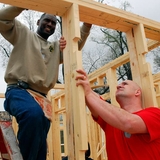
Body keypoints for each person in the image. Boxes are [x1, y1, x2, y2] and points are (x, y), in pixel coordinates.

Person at [0, 4, 91, 160]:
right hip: (19, 91)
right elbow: (2, 18)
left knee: (40, 142)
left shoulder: (55, 48)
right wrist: (21, 4)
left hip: (41, 99)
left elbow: (76, 44)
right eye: (46, 20)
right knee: (33, 115)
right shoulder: (24, 34)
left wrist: (87, 23)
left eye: (54, 23)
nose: (50, 24)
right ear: (38, 22)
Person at [75, 69, 160, 160]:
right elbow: (95, 101)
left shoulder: (154, 114)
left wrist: (88, 93)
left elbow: (129, 123)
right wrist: (83, 85)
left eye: (125, 84)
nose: (118, 86)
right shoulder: (110, 120)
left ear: (137, 92)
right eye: (119, 84)